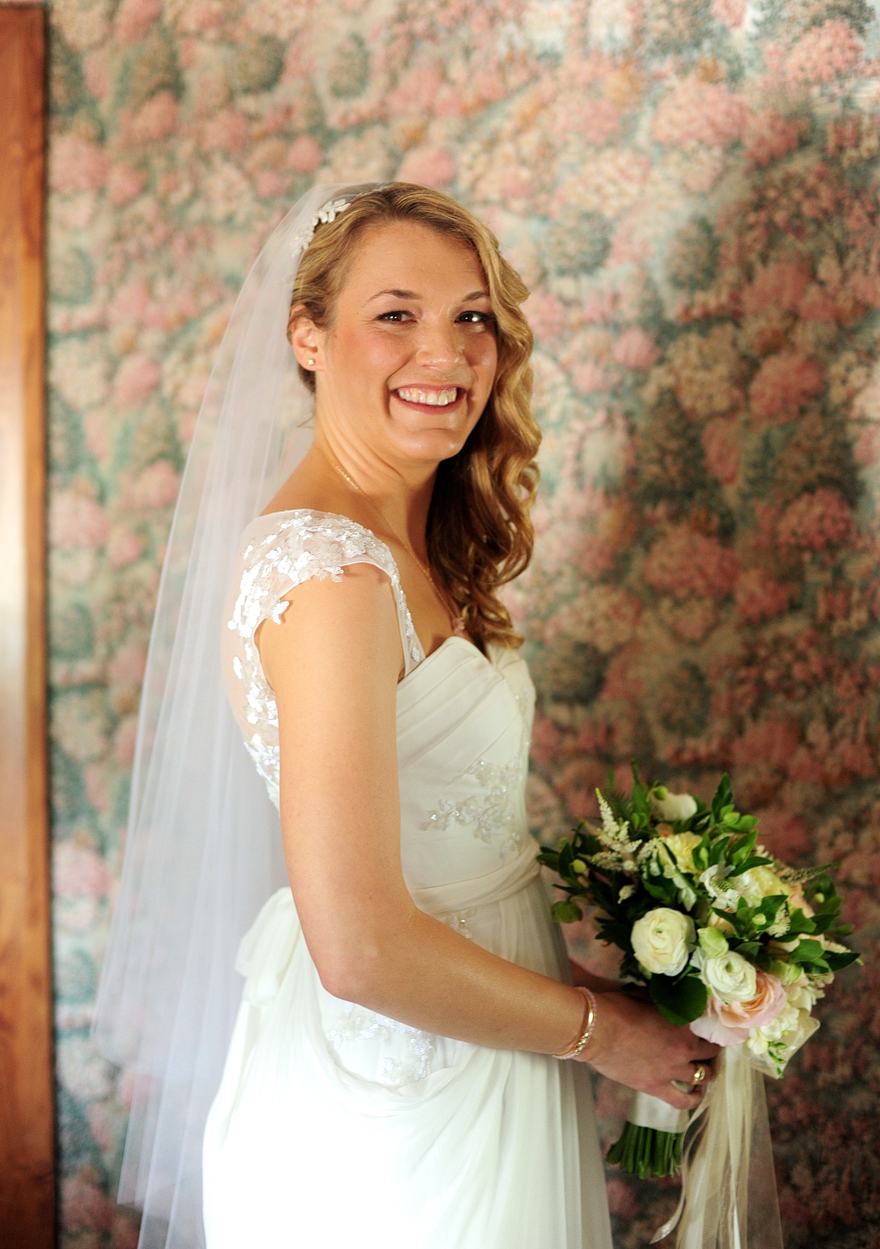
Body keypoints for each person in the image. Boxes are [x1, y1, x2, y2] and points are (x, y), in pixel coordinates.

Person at [94, 183, 717, 1249]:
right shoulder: (328, 574)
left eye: (473, 316)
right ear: (308, 335)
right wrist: (603, 1032)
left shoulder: (417, 550)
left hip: (490, 1036)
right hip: (392, 1092)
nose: (449, 353)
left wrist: (605, 990)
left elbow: (447, 866)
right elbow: (366, 947)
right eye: (397, 314)